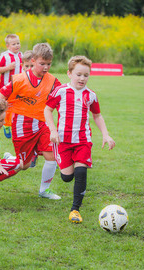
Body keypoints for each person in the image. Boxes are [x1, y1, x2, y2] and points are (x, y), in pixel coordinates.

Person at [44, 55, 116, 223]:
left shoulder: (91, 95)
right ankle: (67, 169)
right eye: (78, 74)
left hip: (83, 140)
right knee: (67, 177)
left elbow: (97, 116)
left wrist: (105, 134)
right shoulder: (61, 91)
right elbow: (47, 110)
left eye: (86, 75)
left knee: (81, 171)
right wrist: (53, 131)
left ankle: (75, 209)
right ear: (69, 73)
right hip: (62, 141)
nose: (82, 78)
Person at [0, 43, 62, 200]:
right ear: (33, 60)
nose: (46, 67)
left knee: (52, 156)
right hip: (22, 124)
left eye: (48, 64)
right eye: (42, 64)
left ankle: (44, 190)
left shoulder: (53, 81)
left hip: (43, 123)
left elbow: (63, 96)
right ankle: (7, 162)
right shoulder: (20, 79)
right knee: (24, 165)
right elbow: (0, 97)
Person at [0, 34, 22, 139]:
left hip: (18, 86)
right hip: (6, 87)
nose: (16, 45)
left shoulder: (21, 55)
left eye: (18, 43)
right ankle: (6, 124)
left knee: (17, 106)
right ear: (8, 46)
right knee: (6, 106)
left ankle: (15, 125)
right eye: (13, 44)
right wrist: (8, 67)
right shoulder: (5, 56)